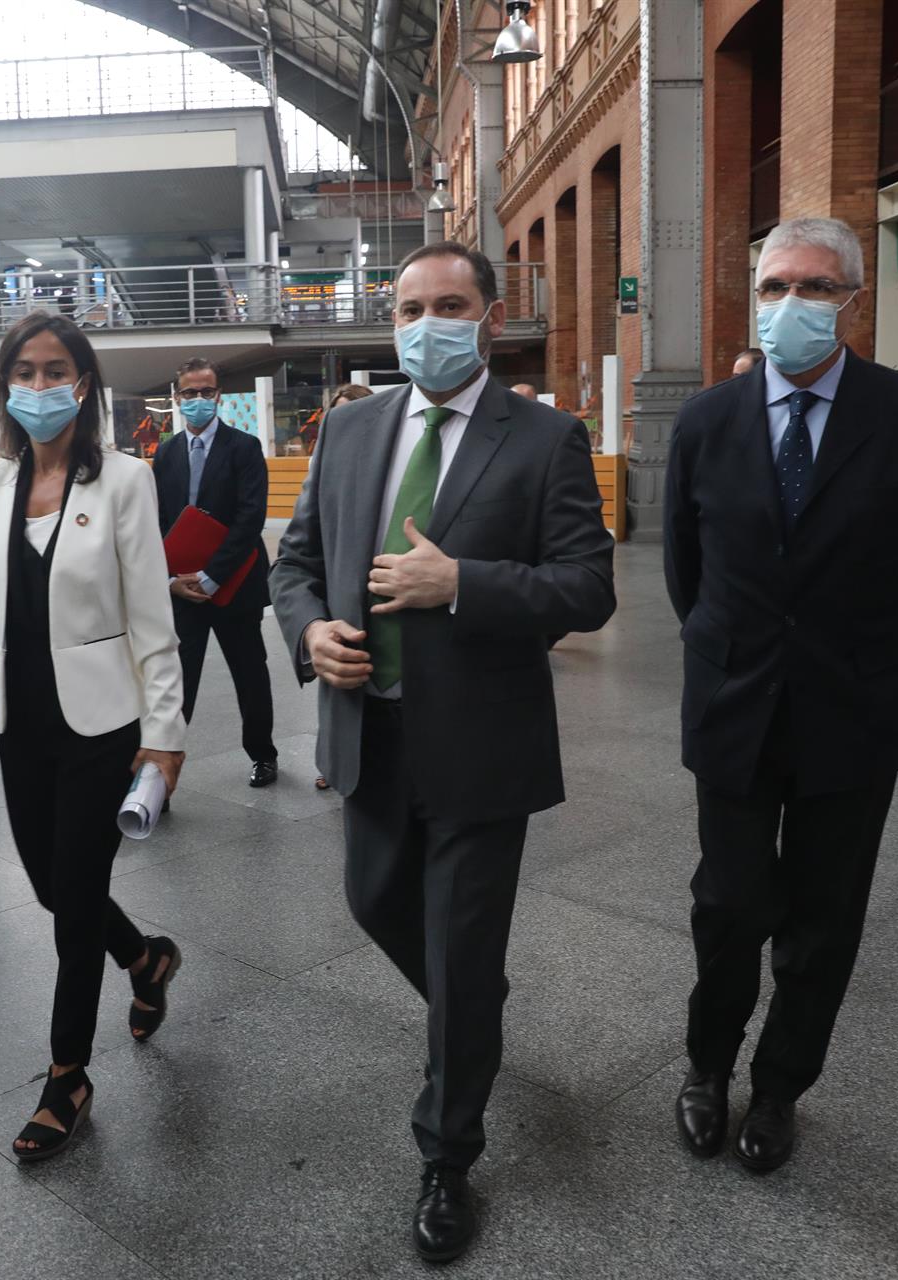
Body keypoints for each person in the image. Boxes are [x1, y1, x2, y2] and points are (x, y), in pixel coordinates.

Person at [270, 241, 616, 1264]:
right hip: (368, 729)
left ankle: (447, 1153)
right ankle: (476, 1017)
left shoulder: (547, 438)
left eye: (450, 304)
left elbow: (587, 589)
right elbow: (293, 564)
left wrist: (461, 582)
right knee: (375, 903)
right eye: (412, 307)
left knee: (461, 958)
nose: (429, 323)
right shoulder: (349, 429)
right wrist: (308, 631)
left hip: (482, 741)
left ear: (490, 316)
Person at [663, 217, 898, 1175]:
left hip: (853, 711)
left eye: (817, 288)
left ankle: (780, 1088)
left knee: (823, 921)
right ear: (756, 296)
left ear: (854, 303)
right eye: (776, 286)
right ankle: (706, 1068)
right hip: (735, 706)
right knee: (729, 907)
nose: (793, 305)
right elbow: (684, 570)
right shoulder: (710, 419)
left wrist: (861, 650)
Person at [0, 312, 187, 1163]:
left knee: (72, 907)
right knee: (52, 888)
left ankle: (67, 1077)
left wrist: (164, 734)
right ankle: (147, 958)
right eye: (25, 371)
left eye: (56, 371)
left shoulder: (124, 480)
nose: (40, 386)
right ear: (6, 385)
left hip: (101, 724)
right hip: (23, 723)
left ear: (84, 383)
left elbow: (152, 616)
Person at [154, 356, 278, 788]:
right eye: (190, 393)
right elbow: (160, 522)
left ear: (219, 396)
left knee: (250, 673)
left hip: (235, 586)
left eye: (207, 392)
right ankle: (160, 775)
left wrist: (211, 577)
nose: (199, 400)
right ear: (177, 397)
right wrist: (173, 581)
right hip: (183, 590)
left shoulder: (244, 448)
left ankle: (263, 755)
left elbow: (250, 520)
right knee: (176, 683)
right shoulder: (166, 452)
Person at [310, 382, 374, 793]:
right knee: (333, 679)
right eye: (336, 412)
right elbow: (301, 552)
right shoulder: (325, 461)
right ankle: (331, 757)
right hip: (336, 597)